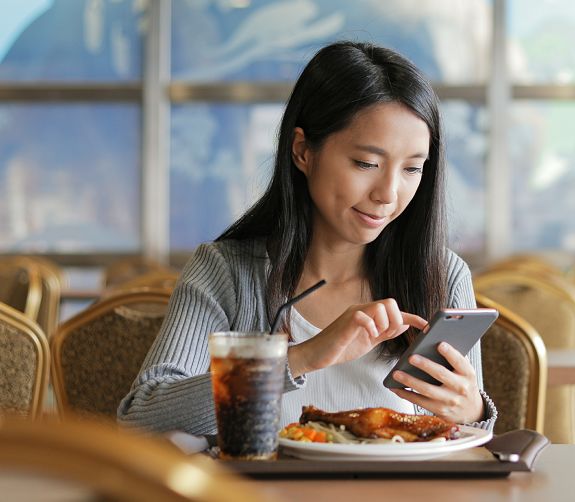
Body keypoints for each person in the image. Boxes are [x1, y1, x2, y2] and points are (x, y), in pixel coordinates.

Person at [118, 41, 497, 435]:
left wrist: (471, 413)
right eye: (366, 163)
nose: (387, 192)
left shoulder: (443, 274)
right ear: (303, 151)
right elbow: (141, 418)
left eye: (412, 169)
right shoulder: (226, 273)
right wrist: (301, 357)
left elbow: (470, 448)